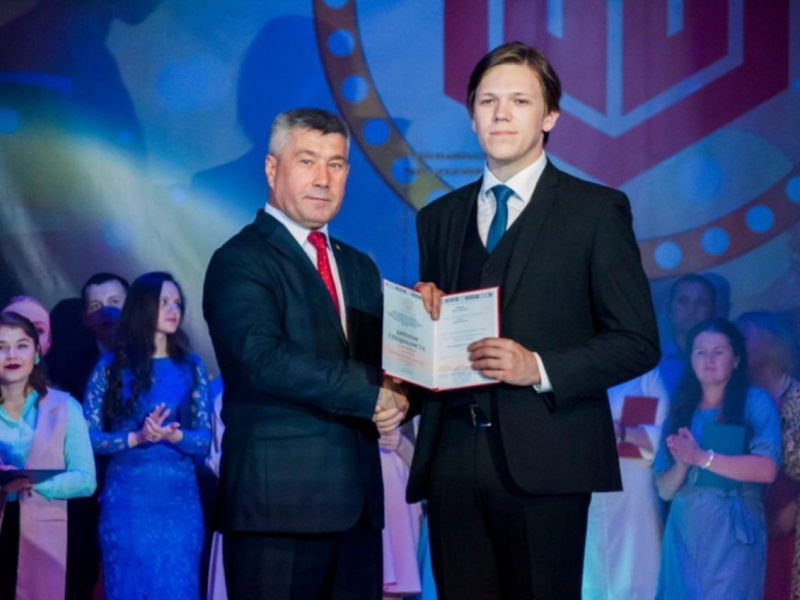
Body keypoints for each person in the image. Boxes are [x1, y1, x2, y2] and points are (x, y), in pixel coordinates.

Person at [408, 42, 660, 598]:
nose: (501, 114)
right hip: (452, 460)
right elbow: (437, 343)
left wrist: (539, 367)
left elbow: (637, 341)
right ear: (471, 114)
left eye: (520, 101)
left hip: (549, 461)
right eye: (488, 101)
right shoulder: (438, 218)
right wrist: (420, 321)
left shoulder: (596, 211)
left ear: (550, 117)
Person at [203, 107, 407, 600]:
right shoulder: (240, 259)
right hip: (277, 510)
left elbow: (384, 367)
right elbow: (263, 359)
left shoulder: (358, 266)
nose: (323, 178)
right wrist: (372, 393)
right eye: (308, 161)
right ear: (272, 168)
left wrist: (404, 391)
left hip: (358, 512)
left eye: (335, 164)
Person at [83, 272, 211, 600]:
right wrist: (136, 438)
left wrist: (174, 436)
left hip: (179, 501)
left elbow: (204, 440)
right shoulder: (109, 367)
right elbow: (87, 438)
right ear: (142, 306)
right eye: (164, 302)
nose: (173, 310)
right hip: (127, 500)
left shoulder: (191, 365)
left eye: (177, 303)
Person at [654, 318, 781, 599]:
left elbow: (767, 468)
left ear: (736, 360)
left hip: (733, 534)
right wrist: (682, 464)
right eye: (700, 352)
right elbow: (663, 490)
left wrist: (702, 457)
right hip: (685, 532)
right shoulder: (681, 409)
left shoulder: (754, 401)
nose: (708, 359)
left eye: (718, 352)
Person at [0, 311, 96, 600]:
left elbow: (86, 479)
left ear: (37, 353)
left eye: (21, 345)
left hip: (41, 529)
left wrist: (37, 484)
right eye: (1, 347)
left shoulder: (65, 407)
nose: (11, 355)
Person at [582, 369, 669, 600]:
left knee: (638, 563)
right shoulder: (576, 368)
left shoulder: (645, 372)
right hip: (586, 484)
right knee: (591, 567)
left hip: (634, 485)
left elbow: (666, 429)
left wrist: (622, 432)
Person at [738, 311, 800, 600]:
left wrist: (795, 507)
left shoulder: (797, 397)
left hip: (789, 521)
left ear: (771, 340)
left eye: (744, 337)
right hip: (751, 526)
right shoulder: (737, 403)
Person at [659, 274, 718, 395]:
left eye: (701, 303)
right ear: (668, 309)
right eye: (683, 301)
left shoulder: (727, 359)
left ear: (714, 310)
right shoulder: (653, 360)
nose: (691, 310)